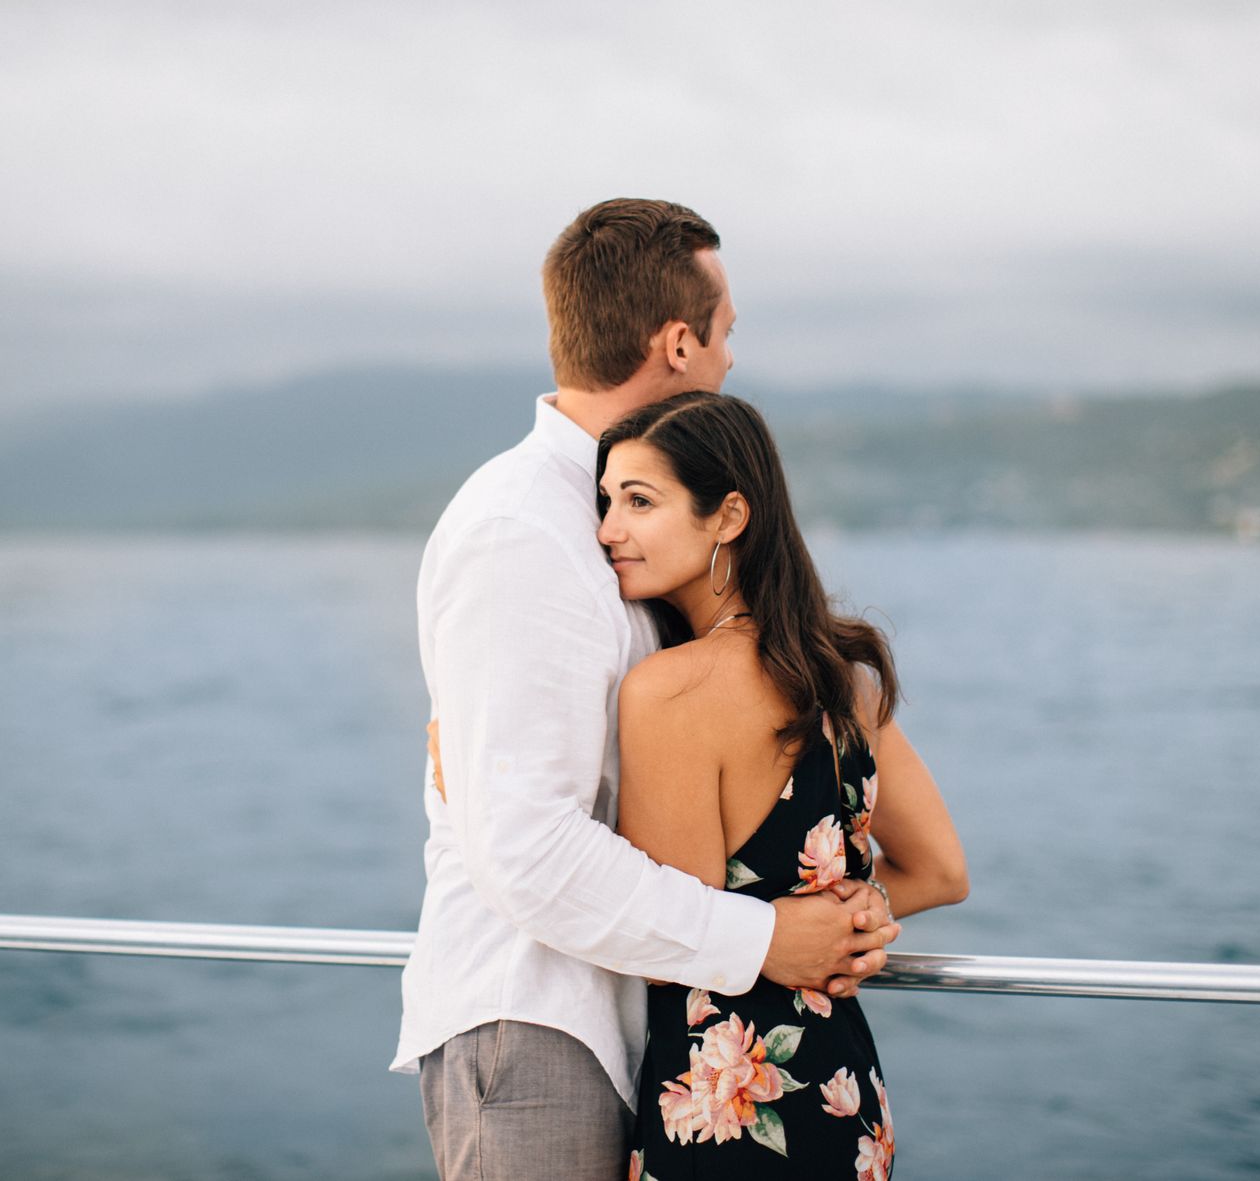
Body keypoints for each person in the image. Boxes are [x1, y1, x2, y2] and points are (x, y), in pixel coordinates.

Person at [393, 199, 900, 1181]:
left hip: (621, 1015)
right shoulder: (521, 533)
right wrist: (765, 936)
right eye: (725, 334)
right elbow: (524, 847)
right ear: (677, 341)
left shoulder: (612, 522)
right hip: (534, 1021)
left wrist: (843, 904)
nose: (729, 361)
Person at [596, 390, 969, 1179]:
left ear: (729, 515)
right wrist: (850, 914)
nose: (608, 531)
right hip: (846, 1098)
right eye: (605, 501)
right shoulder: (844, 677)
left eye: (639, 500)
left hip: (722, 1112)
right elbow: (940, 871)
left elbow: (671, 946)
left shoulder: (669, 691)